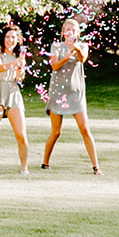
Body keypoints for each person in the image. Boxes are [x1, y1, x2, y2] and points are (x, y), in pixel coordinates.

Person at [41, 17, 100, 174]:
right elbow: (54, 66)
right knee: (56, 131)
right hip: (58, 92)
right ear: (63, 32)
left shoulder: (82, 46)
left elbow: (82, 59)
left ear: (78, 33)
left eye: (73, 29)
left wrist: (75, 48)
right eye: (67, 29)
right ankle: (45, 162)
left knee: (85, 128)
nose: (70, 31)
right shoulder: (56, 46)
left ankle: (96, 166)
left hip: (76, 93)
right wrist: (66, 57)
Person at [0, 24, 30, 174]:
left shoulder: (19, 56)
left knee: (21, 135)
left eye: (13, 37)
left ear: (18, 40)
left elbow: (19, 79)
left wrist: (20, 70)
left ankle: (24, 168)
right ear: (3, 38)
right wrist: (12, 65)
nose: (10, 40)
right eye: (8, 37)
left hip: (13, 93)